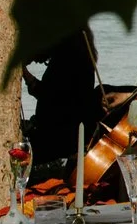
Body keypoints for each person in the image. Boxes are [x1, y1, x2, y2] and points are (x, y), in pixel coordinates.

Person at [24, 26, 105, 175]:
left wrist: (24, 72)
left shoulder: (68, 62)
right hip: (65, 134)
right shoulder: (78, 57)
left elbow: (50, 96)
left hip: (60, 139)